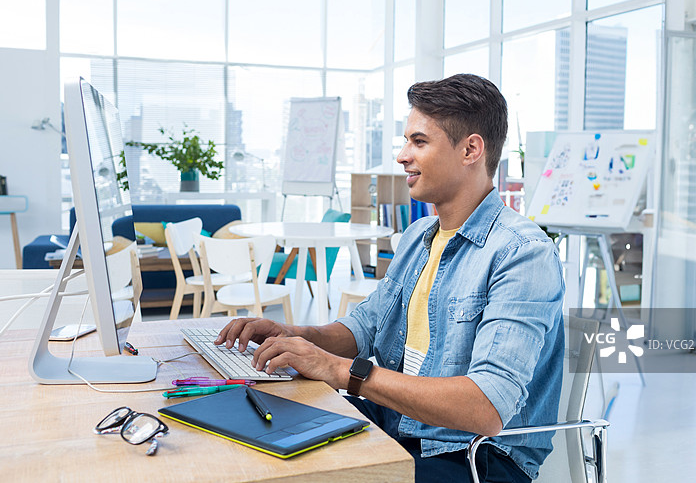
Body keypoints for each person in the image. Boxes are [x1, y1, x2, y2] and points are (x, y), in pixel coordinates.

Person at [215, 74, 565, 483]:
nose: (402, 156)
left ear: (471, 149)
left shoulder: (522, 253)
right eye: (405, 141)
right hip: (400, 426)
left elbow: (486, 406)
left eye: (419, 141)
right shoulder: (419, 236)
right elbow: (365, 326)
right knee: (257, 427)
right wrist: (294, 336)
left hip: (472, 458)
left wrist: (342, 370)